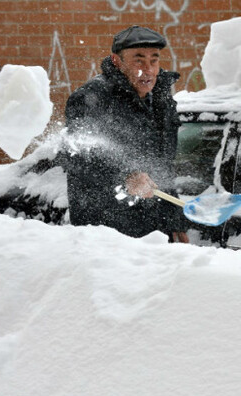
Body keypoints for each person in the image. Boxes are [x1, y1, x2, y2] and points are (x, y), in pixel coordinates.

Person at [64, 25, 189, 242]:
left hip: (155, 232)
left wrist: (174, 220)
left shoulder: (162, 101)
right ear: (117, 61)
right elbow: (76, 157)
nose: (148, 69)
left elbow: (163, 166)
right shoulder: (92, 99)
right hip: (107, 233)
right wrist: (125, 176)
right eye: (138, 60)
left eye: (154, 60)